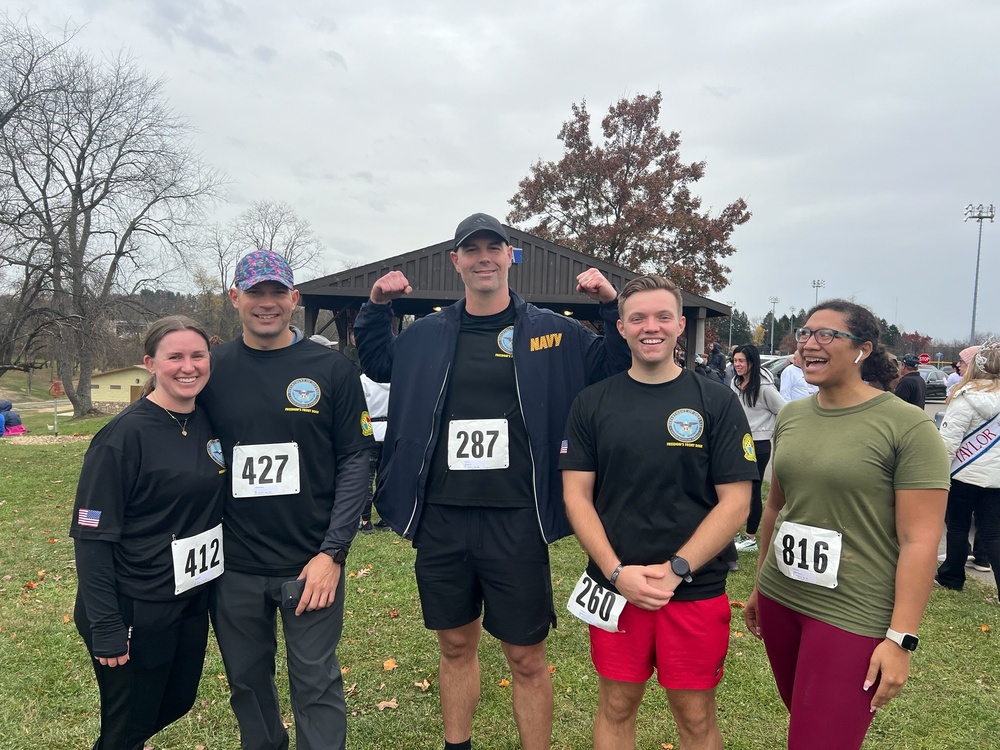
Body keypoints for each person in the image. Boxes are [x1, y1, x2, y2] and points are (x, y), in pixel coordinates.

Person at [354, 212, 630, 750]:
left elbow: (613, 365)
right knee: (455, 644)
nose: (483, 257)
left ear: (510, 257)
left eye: (493, 247)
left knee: (526, 655)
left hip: (516, 518)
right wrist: (376, 306)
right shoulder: (429, 333)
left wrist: (610, 303)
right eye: (471, 249)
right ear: (456, 261)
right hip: (443, 515)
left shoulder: (552, 331)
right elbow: (378, 362)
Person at [560, 275, 756, 750]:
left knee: (695, 717)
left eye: (663, 316)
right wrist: (616, 571)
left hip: (693, 589)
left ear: (681, 325)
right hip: (616, 587)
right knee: (616, 706)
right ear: (622, 328)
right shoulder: (591, 403)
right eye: (639, 318)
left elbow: (737, 502)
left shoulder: (716, 401)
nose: (652, 327)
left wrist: (677, 569)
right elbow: (575, 497)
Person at [744, 300, 949, 750]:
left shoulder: (908, 427)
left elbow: (920, 540)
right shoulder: (793, 416)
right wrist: (760, 583)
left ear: (863, 349)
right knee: (808, 723)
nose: (809, 344)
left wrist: (900, 639)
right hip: (783, 599)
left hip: (852, 613)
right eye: (805, 333)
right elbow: (776, 508)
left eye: (826, 335)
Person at [200, 249, 373, 750]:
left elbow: (356, 460)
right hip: (234, 565)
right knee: (248, 685)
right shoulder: (212, 369)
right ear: (235, 297)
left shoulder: (333, 369)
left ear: (295, 299)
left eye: (278, 292)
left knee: (315, 684)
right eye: (255, 292)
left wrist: (333, 553)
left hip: (309, 564)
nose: (267, 303)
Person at [71, 316, 227, 749]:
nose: (188, 366)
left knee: (178, 700)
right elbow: (92, 538)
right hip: (135, 605)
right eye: (174, 357)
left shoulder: (208, 420)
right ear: (150, 364)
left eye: (197, 355)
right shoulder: (122, 437)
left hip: (190, 597)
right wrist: (107, 625)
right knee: (127, 727)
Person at [935, 342, 1000, 595]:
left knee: (958, 527)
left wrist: (939, 473)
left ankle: (952, 576)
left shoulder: (965, 397)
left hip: (963, 474)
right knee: (993, 534)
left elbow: (948, 442)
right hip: (996, 478)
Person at [730, 344, 787, 551]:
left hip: (759, 444)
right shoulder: (735, 383)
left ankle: (750, 538)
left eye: (741, 361)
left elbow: (784, 410)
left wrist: (773, 432)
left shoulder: (764, 387)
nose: (737, 365)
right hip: (737, 441)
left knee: (753, 490)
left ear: (751, 363)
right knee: (734, 487)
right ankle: (733, 530)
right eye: (735, 360)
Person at [359, 373, 390, 533]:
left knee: (367, 478)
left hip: (370, 430)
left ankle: (365, 522)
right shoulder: (395, 379)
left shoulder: (364, 380)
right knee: (385, 477)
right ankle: (387, 518)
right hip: (390, 431)